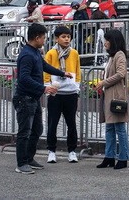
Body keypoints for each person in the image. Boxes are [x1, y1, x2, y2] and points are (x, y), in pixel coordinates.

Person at [13, 23, 71, 174]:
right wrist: (44, 88)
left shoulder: (35, 52)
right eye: (44, 38)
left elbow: (44, 66)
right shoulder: (27, 55)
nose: (45, 40)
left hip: (33, 98)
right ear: (37, 37)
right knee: (24, 132)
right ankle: (21, 163)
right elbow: (23, 78)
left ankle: (29, 158)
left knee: (37, 129)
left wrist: (62, 73)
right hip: (25, 98)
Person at [44, 26, 81, 164]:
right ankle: (51, 151)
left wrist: (76, 87)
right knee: (52, 123)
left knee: (71, 123)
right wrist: (48, 87)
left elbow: (78, 70)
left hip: (70, 92)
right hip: (56, 92)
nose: (66, 39)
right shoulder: (51, 53)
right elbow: (46, 72)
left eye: (68, 37)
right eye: (63, 37)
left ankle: (72, 151)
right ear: (56, 38)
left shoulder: (74, 53)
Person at [95, 29, 129, 170]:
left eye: (107, 40)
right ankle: (109, 156)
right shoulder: (112, 56)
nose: (105, 42)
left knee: (119, 127)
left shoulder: (119, 55)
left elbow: (121, 73)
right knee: (110, 127)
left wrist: (104, 82)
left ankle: (123, 157)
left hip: (116, 96)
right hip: (109, 95)